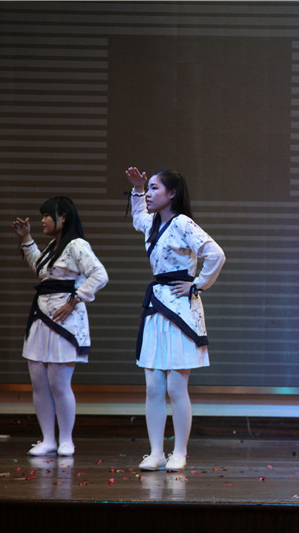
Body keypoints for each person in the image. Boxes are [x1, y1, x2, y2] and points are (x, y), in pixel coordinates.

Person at [126, 167, 226, 472]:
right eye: (148, 189)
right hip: (157, 307)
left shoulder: (182, 223)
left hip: (181, 309)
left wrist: (197, 284)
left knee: (176, 387)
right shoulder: (153, 223)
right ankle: (156, 452)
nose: (149, 194)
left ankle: (179, 452)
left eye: (154, 188)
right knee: (153, 386)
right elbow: (138, 217)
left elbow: (216, 254)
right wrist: (136, 189)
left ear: (172, 193)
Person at [12, 197, 108, 457]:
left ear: (63, 217)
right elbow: (41, 270)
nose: (42, 220)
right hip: (41, 316)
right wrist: (26, 238)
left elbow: (100, 275)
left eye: (47, 215)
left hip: (64, 320)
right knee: (39, 382)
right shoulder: (54, 246)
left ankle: (66, 440)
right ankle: (48, 440)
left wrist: (74, 300)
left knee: (59, 382)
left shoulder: (76, 245)